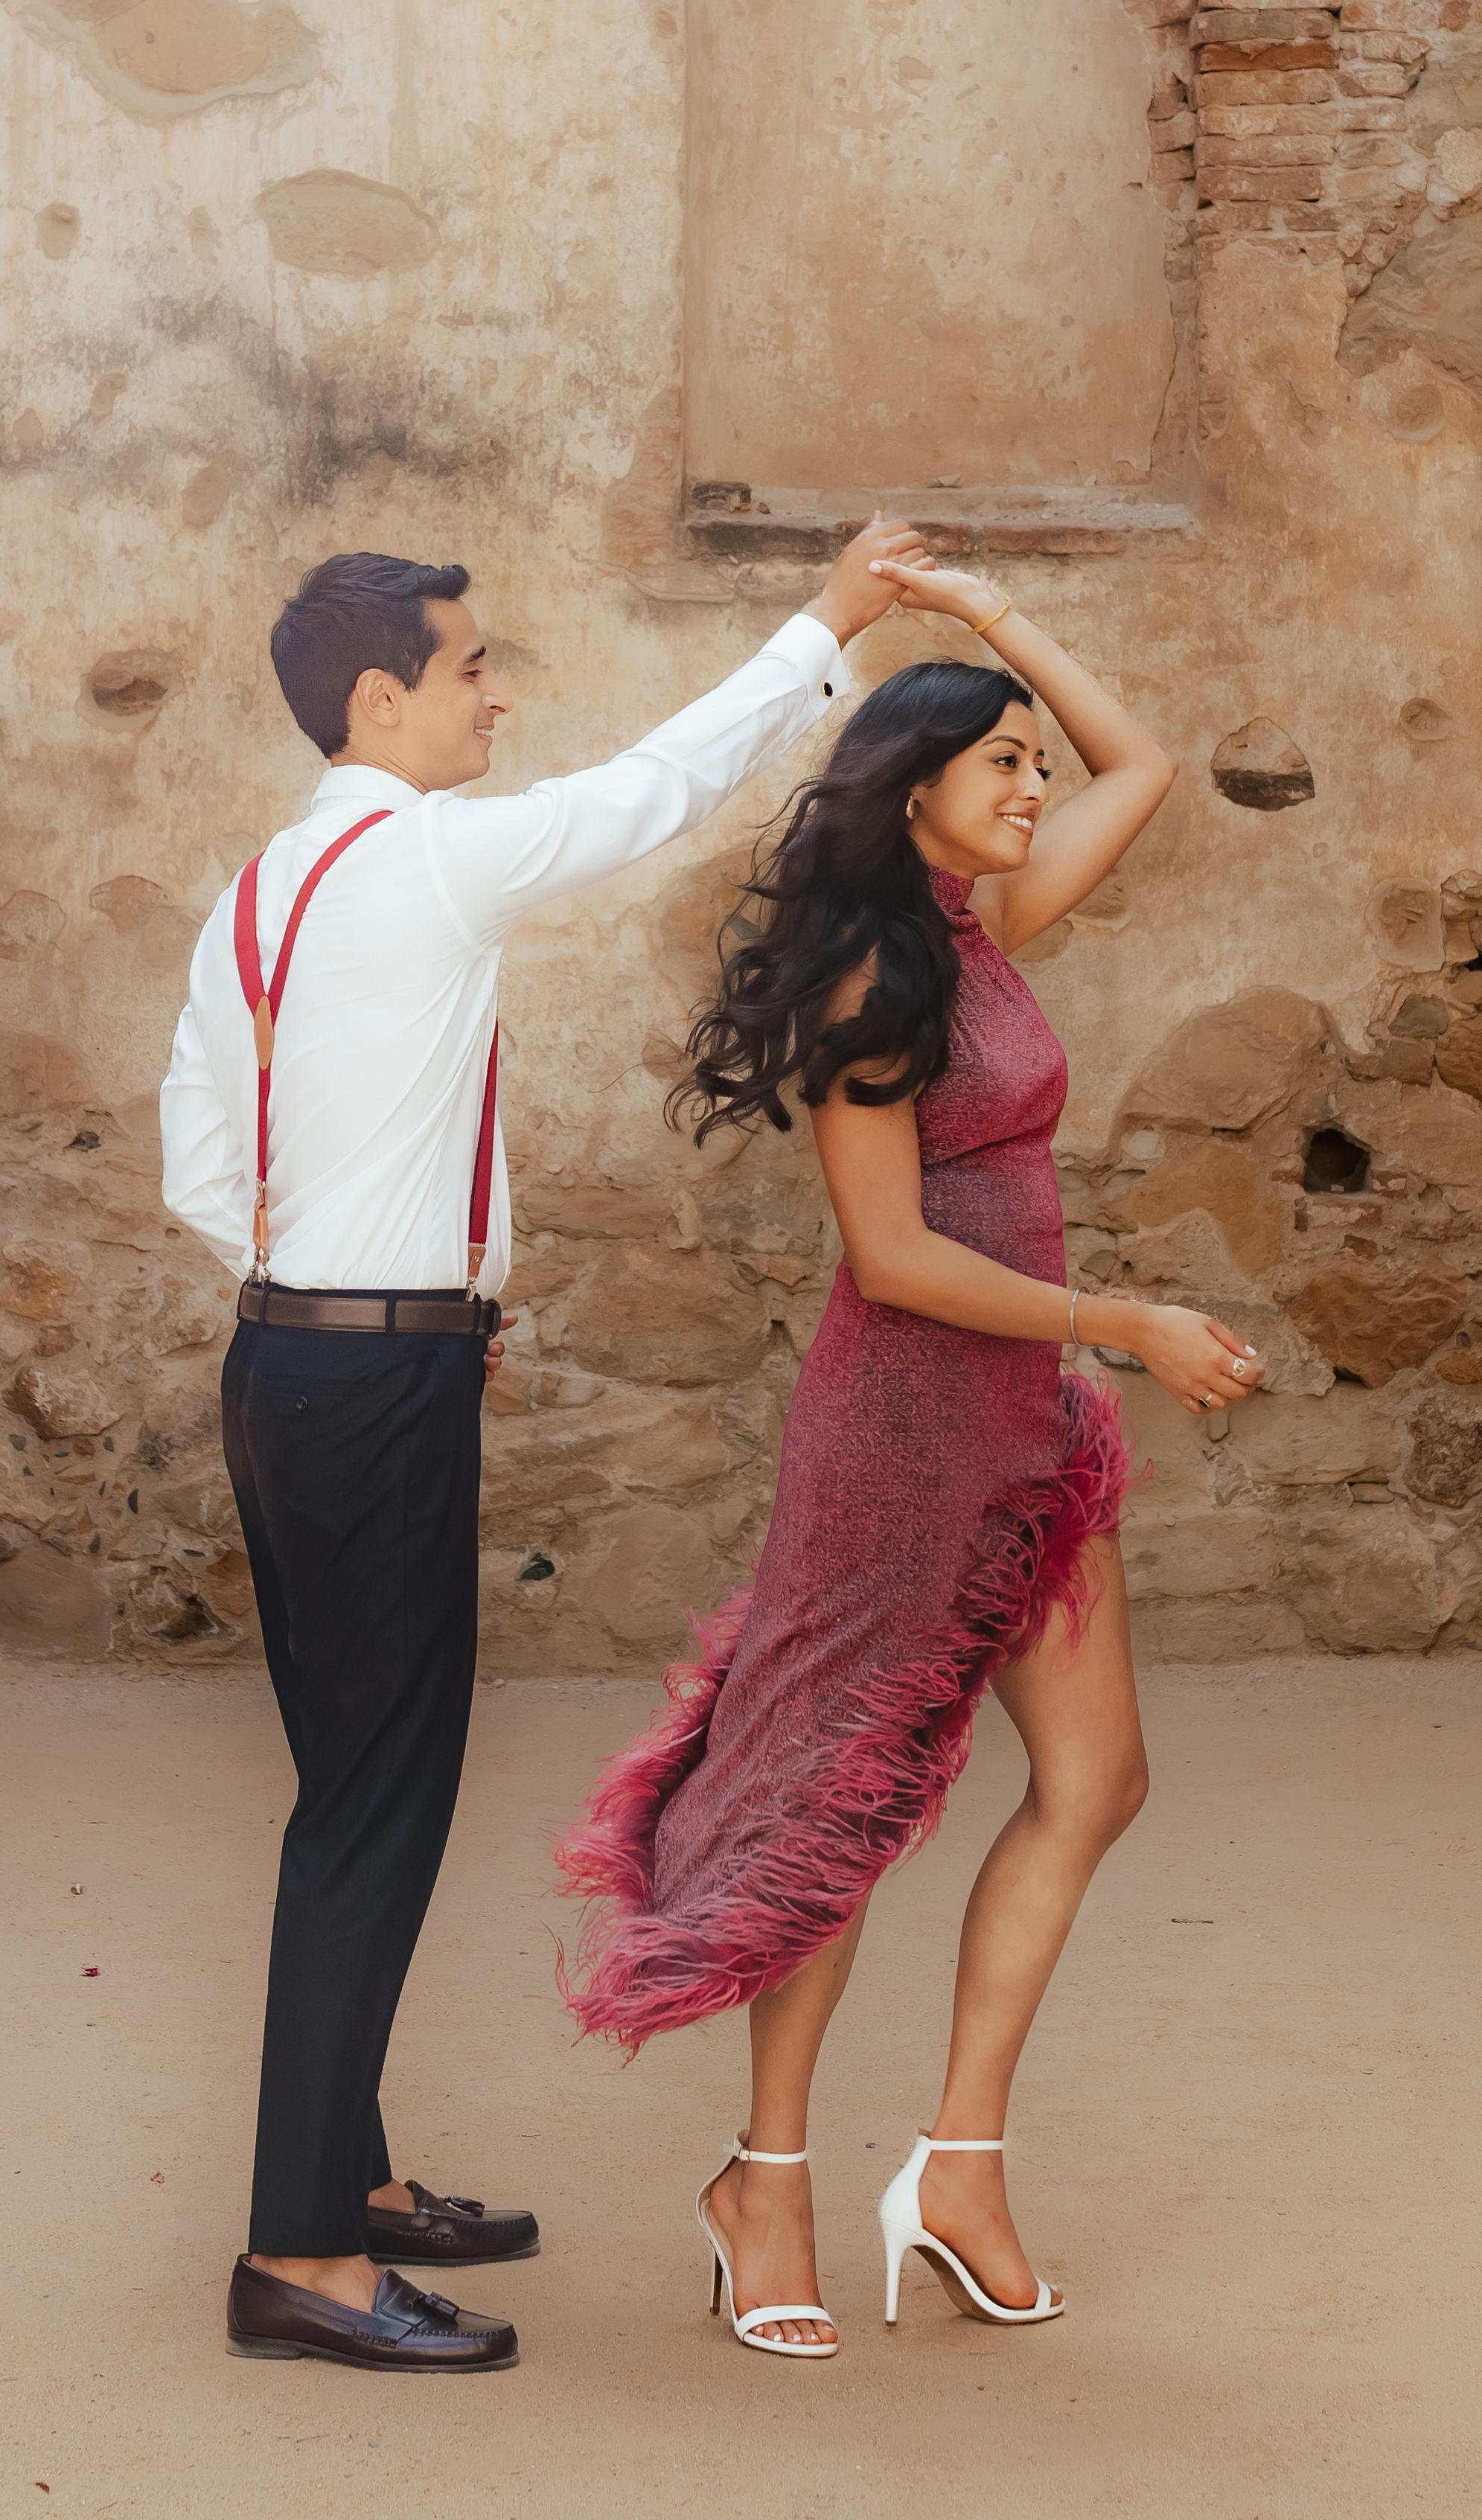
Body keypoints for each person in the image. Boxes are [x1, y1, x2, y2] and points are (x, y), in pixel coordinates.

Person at [164, 519, 924, 2373]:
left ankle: (343, 2178)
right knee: (374, 1810)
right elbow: (658, 787)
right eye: (472, 665)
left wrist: (384, 1294)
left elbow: (201, 1159)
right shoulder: (423, 859)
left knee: (347, 1786)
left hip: (286, 1361)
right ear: (380, 699)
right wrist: (826, 622)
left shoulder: (263, 887)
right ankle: (301, 2260)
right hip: (370, 1387)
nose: (495, 695)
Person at [555, 559, 1256, 2361]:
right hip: (899, 1436)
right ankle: (765, 2181)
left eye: (1030, 763)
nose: (1035, 783)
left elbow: (1143, 765)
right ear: (915, 783)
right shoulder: (874, 976)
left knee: (1094, 1781)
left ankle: (955, 2168)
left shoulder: (983, 929)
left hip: (1021, 1432)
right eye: (1000, 762)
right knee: (839, 1810)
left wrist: (987, 617)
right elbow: (891, 1258)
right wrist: (1127, 1322)